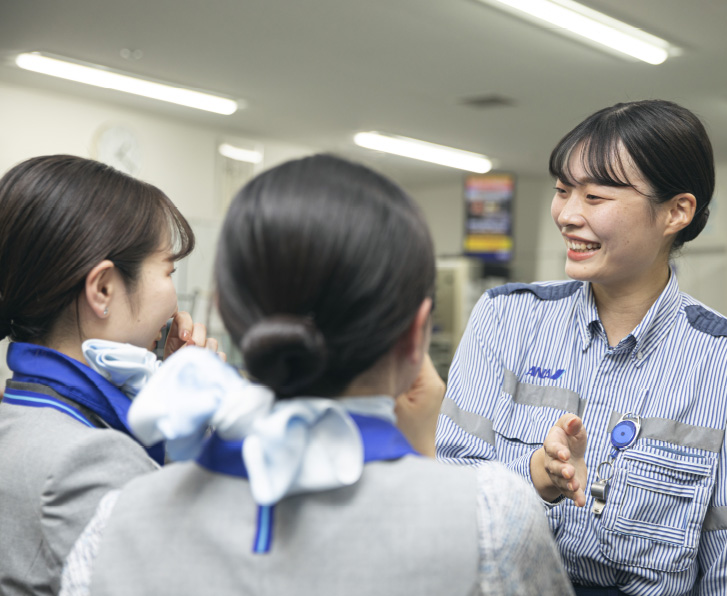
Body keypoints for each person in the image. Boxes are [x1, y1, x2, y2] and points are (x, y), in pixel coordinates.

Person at [59, 154, 574, 596]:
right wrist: (423, 452)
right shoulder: (489, 516)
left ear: (227, 312)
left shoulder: (119, 518)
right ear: (417, 334)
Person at [436, 99, 727, 595]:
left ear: (676, 211)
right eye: (563, 191)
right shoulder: (505, 319)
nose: (567, 214)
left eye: (595, 197)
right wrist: (537, 477)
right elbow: (452, 490)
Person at [0, 155, 220, 596]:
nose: (176, 302)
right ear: (103, 289)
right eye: (169, 271)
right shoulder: (88, 462)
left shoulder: (23, 418)